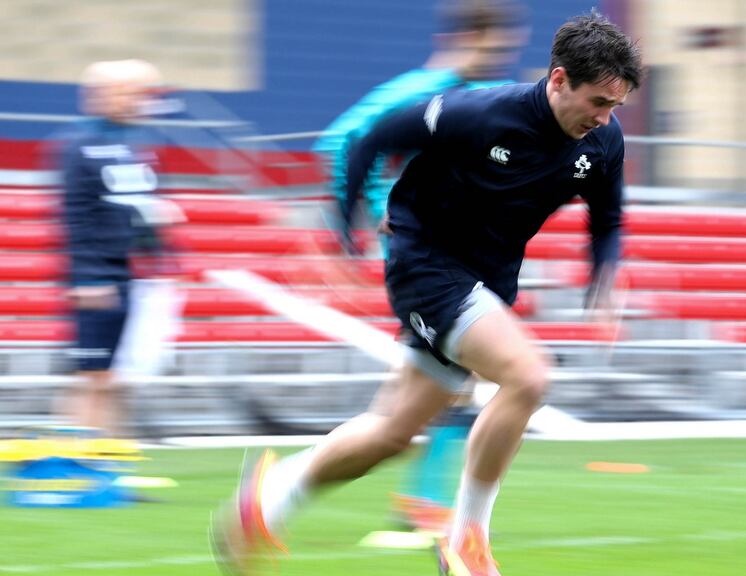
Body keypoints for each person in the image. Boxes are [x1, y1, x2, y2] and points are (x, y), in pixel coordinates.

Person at [211, 11, 642, 576]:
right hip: (426, 267)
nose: (605, 118)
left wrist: (603, 276)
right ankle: (467, 541)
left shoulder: (603, 142)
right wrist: (345, 230)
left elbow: (607, 220)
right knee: (530, 376)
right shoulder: (480, 112)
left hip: (486, 282)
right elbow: (368, 140)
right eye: (597, 102)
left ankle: (268, 500)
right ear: (559, 79)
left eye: (615, 106)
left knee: (391, 432)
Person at [310, 0, 528, 532]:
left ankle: (418, 501)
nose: (504, 56)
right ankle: (420, 502)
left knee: (436, 393)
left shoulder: (470, 96)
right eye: (500, 46)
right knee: (437, 392)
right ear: (474, 37)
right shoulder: (421, 88)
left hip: (454, 257)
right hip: (422, 261)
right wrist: (356, 222)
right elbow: (342, 141)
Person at [56, 59, 182, 436]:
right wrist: (88, 278)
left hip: (134, 276)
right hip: (100, 278)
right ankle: (73, 466)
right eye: (132, 93)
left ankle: (108, 466)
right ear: (104, 95)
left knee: (118, 379)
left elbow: (135, 208)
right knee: (93, 376)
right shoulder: (78, 147)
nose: (141, 102)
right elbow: (74, 217)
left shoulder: (133, 147)